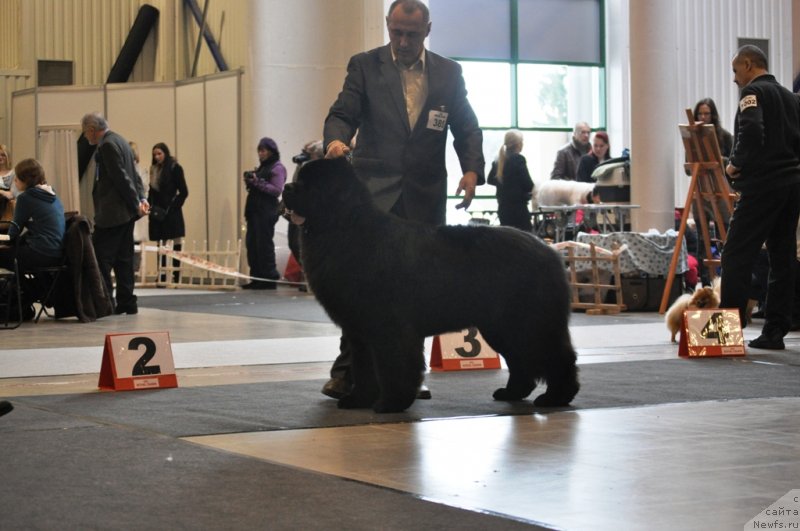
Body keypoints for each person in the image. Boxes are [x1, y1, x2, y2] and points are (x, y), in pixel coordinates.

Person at [322, 0, 484, 400]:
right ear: (387, 26)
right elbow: (342, 112)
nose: (403, 41)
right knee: (362, 286)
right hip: (374, 194)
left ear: (428, 29)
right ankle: (349, 373)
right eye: (396, 32)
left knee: (420, 287)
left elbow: (466, 126)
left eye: (412, 34)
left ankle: (412, 375)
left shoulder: (449, 72)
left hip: (424, 196)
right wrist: (336, 140)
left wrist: (471, 170)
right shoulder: (364, 65)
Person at [720, 45, 800, 350]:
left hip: (763, 185)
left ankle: (728, 332)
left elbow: (751, 131)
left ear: (749, 64)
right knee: (782, 257)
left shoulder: (752, 93)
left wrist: (735, 163)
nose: (734, 79)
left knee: (736, 253)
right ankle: (775, 331)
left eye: (735, 70)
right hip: (792, 184)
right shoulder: (792, 97)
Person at [81, 112, 148, 315]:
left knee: (101, 259)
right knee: (124, 260)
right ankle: (127, 302)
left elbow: (121, 178)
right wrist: (141, 198)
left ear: (92, 130)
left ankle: (106, 304)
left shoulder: (107, 145)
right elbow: (133, 175)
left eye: (85, 133)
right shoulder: (120, 140)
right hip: (125, 214)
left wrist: (136, 202)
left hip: (112, 214)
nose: (86, 137)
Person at [0, 159, 65, 320]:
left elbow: (12, 233)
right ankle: (28, 294)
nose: (14, 182)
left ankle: (21, 296)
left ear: (25, 180)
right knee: (12, 256)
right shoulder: (52, 194)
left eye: (16, 179)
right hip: (56, 253)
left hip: (39, 251)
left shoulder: (26, 198)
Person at [242, 136, 286, 290]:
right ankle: (256, 277)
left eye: (263, 150)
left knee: (264, 245)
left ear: (271, 151)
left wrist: (257, 182)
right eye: (259, 150)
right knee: (252, 245)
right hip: (254, 212)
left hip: (266, 212)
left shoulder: (277, 167)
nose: (260, 154)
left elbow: (276, 190)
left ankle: (268, 279)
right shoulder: (262, 168)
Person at [148, 142, 188, 283]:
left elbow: (184, 191)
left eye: (159, 153)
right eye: (154, 154)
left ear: (166, 153)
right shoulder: (153, 170)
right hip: (158, 212)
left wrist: (174, 206)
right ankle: (162, 275)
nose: (157, 157)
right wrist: (149, 206)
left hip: (172, 211)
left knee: (176, 243)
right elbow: (151, 192)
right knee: (161, 245)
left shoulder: (175, 168)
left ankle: (176, 276)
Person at [487, 130, 533, 231]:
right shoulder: (519, 159)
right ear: (518, 144)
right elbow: (528, 184)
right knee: (525, 241)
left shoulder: (498, 159)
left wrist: (504, 185)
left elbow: (490, 180)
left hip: (503, 209)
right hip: (518, 210)